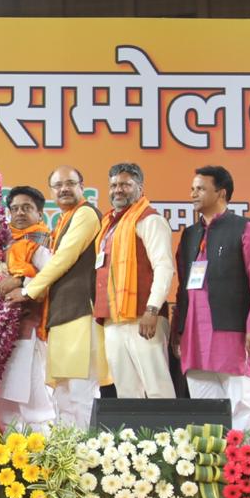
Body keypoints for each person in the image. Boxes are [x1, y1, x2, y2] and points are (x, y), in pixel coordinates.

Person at [5, 166, 107, 429]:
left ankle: (88, 456)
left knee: (81, 392)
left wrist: (26, 289)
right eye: (57, 185)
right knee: (62, 394)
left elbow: (63, 259)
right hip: (60, 316)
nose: (63, 189)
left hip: (80, 312)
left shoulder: (85, 214)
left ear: (82, 186)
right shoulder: (64, 220)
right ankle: (67, 458)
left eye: (70, 183)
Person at [173, 165, 250, 433]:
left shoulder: (245, 229)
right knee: (205, 410)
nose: (193, 193)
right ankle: (213, 467)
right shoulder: (190, 234)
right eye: (192, 188)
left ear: (221, 193)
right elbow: (182, 287)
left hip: (232, 332)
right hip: (194, 335)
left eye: (201, 188)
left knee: (240, 403)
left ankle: (245, 466)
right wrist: (178, 331)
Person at [93, 163, 176, 399]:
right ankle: (135, 437)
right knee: (126, 390)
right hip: (113, 319)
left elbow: (164, 267)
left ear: (140, 187)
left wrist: (152, 309)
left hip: (142, 316)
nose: (118, 190)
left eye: (125, 184)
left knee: (156, 385)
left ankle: (166, 435)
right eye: (114, 185)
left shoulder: (149, 220)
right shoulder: (109, 224)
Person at [0, 186, 54, 431]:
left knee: (35, 406)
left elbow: (50, 279)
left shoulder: (41, 243)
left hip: (31, 332)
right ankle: (13, 463)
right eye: (15, 208)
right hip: (1, 335)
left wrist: (20, 281)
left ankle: (47, 462)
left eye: (26, 208)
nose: (19, 213)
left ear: (39, 214)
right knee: (6, 406)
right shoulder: (4, 246)